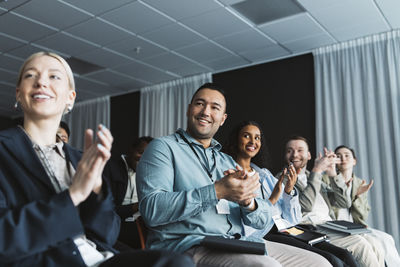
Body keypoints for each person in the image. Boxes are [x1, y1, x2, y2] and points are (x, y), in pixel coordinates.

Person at [0, 51, 193, 267]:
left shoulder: (80, 160)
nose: (41, 82)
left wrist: (96, 188)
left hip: (98, 259)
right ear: (18, 93)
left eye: (54, 76)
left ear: (70, 97)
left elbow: (106, 236)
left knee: (174, 262)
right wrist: (74, 195)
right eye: (30, 75)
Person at [136, 83, 332, 267]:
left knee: (320, 263)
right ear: (189, 110)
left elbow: (262, 220)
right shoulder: (163, 148)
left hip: (240, 242)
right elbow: (151, 211)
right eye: (200, 104)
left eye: (215, 107)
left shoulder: (226, 162)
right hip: (190, 244)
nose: (206, 111)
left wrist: (249, 203)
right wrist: (216, 191)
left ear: (222, 119)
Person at [224, 121, 356, 267]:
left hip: (286, 228)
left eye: (257, 138)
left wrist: (289, 192)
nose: (253, 141)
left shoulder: (265, 175)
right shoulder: (229, 173)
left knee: (344, 255)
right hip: (266, 233)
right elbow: (250, 221)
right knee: (330, 261)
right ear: (236, 140)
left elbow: (291, 218)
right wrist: (274, 200)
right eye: (246, 136)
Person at [281, 136, 385, 267]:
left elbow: (344, 203)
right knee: (360, 245)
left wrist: (332, 173)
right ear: (285, 155)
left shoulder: (311, 176)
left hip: (330, 225)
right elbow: (304, 206)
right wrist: (317, 170)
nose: (295, 154)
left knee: (375, 243)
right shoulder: (281, 179)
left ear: (308, 155)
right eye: (289, 151)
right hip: (308, 227)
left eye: (300, 150)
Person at [322, 145, 400, 267]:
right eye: (338, 156)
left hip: (355, 225)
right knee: (370, 244)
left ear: (354, 161)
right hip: (336, 224)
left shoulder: (359, 183)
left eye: (347, 155)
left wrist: (358, 196)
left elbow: (362, 216)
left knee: (386, 239)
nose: (343, 158)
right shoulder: (326, 179)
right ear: (334, 161)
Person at [105, 136, 153, 248]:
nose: (144, 159)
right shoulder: (110, 168)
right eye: (141, 152)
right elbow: (107, 210)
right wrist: (136, 207)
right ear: (131, 150)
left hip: (142, 225)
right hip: (116, 224)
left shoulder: (152, 173)